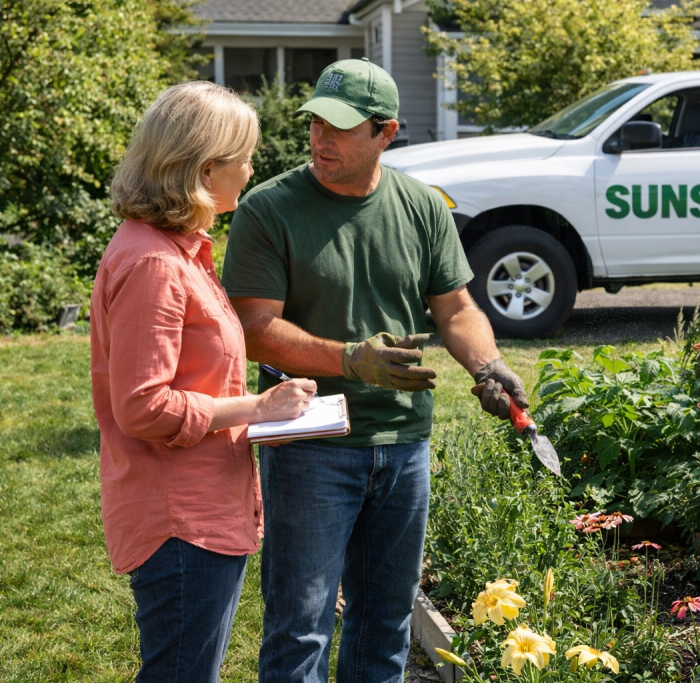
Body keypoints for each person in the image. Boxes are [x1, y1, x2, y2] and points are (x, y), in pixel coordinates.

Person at [220, 58, 530, 683]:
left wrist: (487, 363)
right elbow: (252, 329)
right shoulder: (268, 209)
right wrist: (350, 361)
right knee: (301, 625)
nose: (319, 139)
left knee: (385, 622)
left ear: (385, 133)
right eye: (314, 122)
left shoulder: (421, 207)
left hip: (404, 444)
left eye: (339, 127)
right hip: (310, 441)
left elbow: (458, 306)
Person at [91, 81, 318, 682]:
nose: (251, 169)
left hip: (201, 507)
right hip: (180, 520)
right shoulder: (156, 263)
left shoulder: (177, 249)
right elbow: (143, 407)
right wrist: (258, 408)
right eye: (244, 156)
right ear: (205, 166)